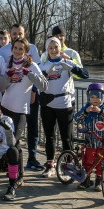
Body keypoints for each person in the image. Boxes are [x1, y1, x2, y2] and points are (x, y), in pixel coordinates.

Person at [0, 38, 47, 181]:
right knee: (11, 142)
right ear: (12, 49)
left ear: (25, 51)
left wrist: (28, 74)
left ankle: (18, 172)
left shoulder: (32, 66)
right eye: (15, 48)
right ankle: (16, 171)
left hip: (21, 109)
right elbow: (0, 88)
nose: (17, 51)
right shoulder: (7, 64)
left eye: (21, 49)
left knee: (14, 140)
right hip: (5, 107)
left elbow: (44, 86)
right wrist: (8, 76)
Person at [39, 37, 89, 177]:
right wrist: (45, 73)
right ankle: (50, 164)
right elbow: (36, 81)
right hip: (48, 104)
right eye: (51, 48)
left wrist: (72, 66)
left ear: (60, 48)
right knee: (49, 136)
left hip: (65, 104)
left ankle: (67, 166)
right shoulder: (42, 64)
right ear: (47, 50)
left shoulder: (66, 61)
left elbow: (85, 75)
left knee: (66, 137)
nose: (54, 50)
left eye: (56, 47)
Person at [73, 83, 104, 191]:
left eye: (98, 97)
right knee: (88, 161)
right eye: (92, 97)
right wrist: (85, 111)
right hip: (90, 140)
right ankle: (86, 179)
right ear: (89, 97)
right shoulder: (86, 108)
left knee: (102, 162)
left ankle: (99, 180)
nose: (95, 100)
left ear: (103, 97)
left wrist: (101, 111)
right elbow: (77, 118)